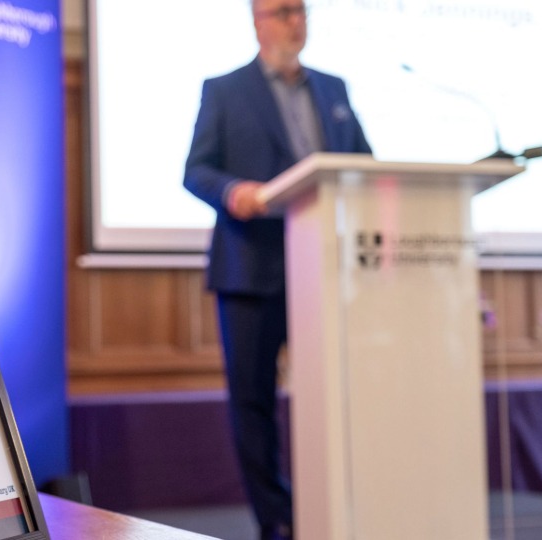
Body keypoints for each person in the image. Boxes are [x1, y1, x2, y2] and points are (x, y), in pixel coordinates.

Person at [183, 1, 372, 538]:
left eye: (301, 10)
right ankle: (279, 521)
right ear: (257, 21)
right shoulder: (224, 89)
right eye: (283, 11)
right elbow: (195, 170)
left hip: (328, 273)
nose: (296, 20)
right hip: (251, 268)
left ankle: (335, 506)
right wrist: (231, 190)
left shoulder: (333, 89)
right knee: (253, 401)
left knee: (335, 396)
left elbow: (364, 162)